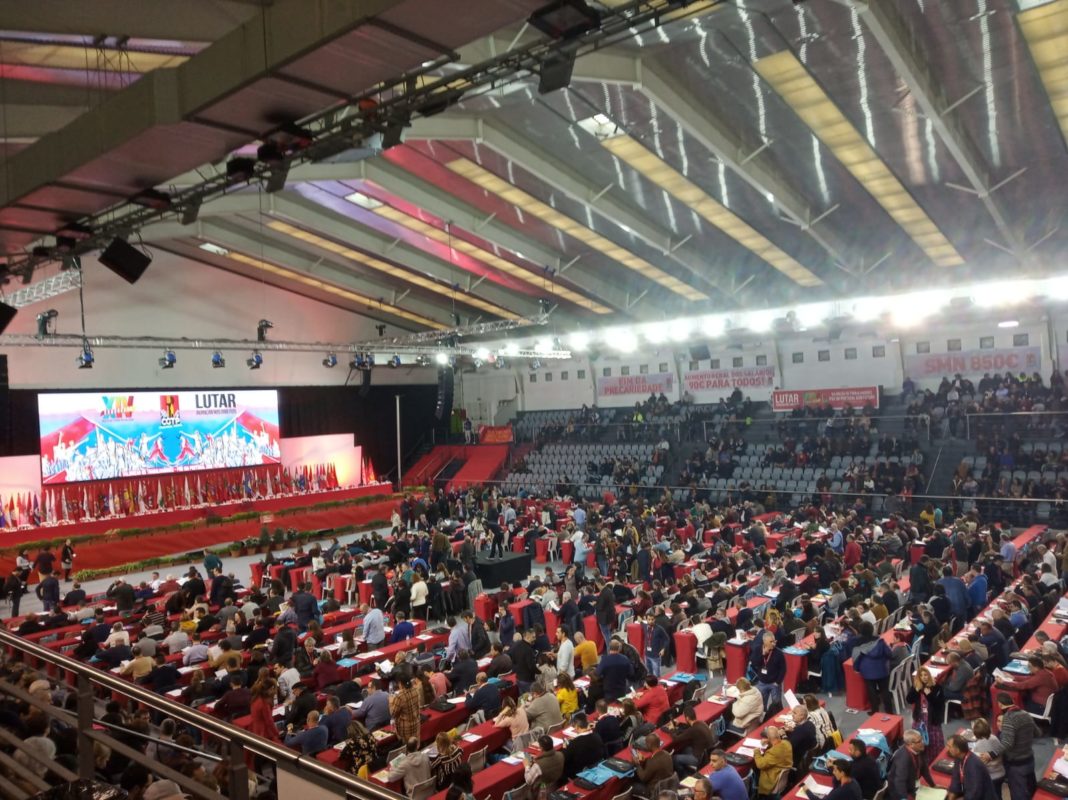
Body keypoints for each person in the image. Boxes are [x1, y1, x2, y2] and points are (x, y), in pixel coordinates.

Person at [995, 692, 1039, 800]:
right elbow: (1038, 733)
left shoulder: (1008, 717)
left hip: (1016, 765)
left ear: (1000, 704)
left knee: (1019, 795)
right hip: (1029, 760)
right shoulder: (1026, 714)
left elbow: (1007, 743)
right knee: (1032, 791)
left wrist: (991, 753)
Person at [850, 621, 893, 713]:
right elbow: (889, 653)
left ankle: (875, 711)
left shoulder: (857, 644)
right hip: (882, 669)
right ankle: (889, 711)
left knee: (871, 691)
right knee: (885, 690)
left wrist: (856, 669)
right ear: (872, 629)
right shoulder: (880, 641)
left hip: (868, 671)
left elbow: (856, 658)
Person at [906, 667, 945, 763]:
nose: (924, 677)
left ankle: (934, 760)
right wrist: (915, 690)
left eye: (926, 675)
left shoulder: (937, 687)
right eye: (921, 675)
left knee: (933, 741)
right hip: (920, 718)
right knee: (919, 739)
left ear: (929, 675)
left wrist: (929, 694)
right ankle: (921, 760)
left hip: (932, 719)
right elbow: (909, 700)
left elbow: (939, 704)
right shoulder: (916, 686)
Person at [886, 729, 935, 800]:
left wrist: (933, 785)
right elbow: (899, 782)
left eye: (922, 739)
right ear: (911, 744)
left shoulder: (919, 749)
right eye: (919, 741)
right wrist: (904, 798)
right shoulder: (903, 759)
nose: (923, 742)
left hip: (911, 784)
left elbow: (924, 769)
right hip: (899, 791)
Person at [946, 733, 997, 800]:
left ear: (958, 750)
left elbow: (974, 793)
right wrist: (951, 796)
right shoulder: (958, 758)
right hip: (969, 793)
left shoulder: (974, 765)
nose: (947, 748)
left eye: (949, 746)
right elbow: (956, 780)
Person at [669, 704, 718, 774]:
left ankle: (683, 775)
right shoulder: (701, 723)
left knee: (675, 758)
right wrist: (679, 724)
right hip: (703, 752)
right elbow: (690, 727)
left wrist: (671, 729)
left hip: (697, 758)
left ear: (687, 718)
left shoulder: (693, 730)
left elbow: (676, 739)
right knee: (685, 749)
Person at [753, 726, 792, 800]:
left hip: (771, 780)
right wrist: (770, 742)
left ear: (768, 737)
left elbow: (760, 765)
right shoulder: (787, 743)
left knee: (754, 769)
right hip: (780, 774)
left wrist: (756, 751)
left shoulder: (773, 753)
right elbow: (777, 745)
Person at [970, 719, 1004, 799]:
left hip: (990, 776)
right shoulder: (994, 738)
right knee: (998, 795)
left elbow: (978, 763)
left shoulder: (978, 745)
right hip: (1000, 772)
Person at [561, 713, 603, 779]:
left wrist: (564, 748)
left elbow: (565, 758)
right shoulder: (596, 735)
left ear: (577, 726)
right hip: (596, 765)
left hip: (580, 772)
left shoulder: (575, 743)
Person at [752, 633, 786, 710]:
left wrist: (778, 682)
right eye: (771, 641)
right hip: (762, 683)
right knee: (761, 705)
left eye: (774, 641)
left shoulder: (779, 653)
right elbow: (755, 663)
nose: (773, 643)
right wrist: (763, 655)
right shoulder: (758, 649)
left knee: (776, 705)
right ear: (764, 642)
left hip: (774, 683)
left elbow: (783, 669)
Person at [390, 674, 423, 744]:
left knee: (408, 747)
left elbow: (393, 713)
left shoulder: (400, 697)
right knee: (415, 745)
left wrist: (390, 702)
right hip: (416, 724)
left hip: (405, 729)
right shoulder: (416, 690)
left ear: (400, 684)